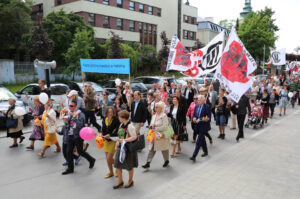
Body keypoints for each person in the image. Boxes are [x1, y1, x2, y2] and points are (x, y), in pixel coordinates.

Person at [62, 100, 96, 175]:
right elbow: (68, 125)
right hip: (70, 135)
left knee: (80, 151)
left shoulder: (80, 114)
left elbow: (80, 125)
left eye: (72, 106)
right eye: (69, 106)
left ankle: (91, 160)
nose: (70, 107)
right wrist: (66, 121)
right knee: (68, 152)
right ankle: (70, 168)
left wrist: (74, 118)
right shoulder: (69, 113)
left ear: (75, 107)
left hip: (78, 136)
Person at [113, 110, 138, 189]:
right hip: (121, 147)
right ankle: (120, 180)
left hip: (127, 148)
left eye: (119, 117)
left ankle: (130, 181)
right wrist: (117, 143)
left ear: (123, 118)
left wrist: (124, 140)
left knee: (129, 166)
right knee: (117, 164)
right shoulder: (121, 125)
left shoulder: (130, 126)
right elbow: (120, 136)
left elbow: (134, 137)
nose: (118, 118)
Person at [142, 102, 170, 170]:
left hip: (161, 135)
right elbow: (151, 123)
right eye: (155, 107)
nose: (155, 108)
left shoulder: (164, 116)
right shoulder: (154, 115)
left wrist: (156, 128)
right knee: (152, 149)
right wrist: (151, 126)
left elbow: (165, 127)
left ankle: (166, 160)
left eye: (157, 107)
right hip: (154, 135)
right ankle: (148, 163)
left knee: (164, 149)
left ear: (161, 108)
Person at [100, 107, 120, 178]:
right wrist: (102, 134)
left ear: (113, 112)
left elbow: (118, 130)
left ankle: (117, 169)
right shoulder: (104, 119)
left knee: (109, 158)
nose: (110, 113)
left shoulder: (116, 119)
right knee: (109, 159)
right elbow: (103, 129)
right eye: (109, 112)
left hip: (113, 140)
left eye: (111, 112)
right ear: (106, 113)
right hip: (106, 140)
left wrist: (110, 135)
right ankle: (112, 171)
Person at [190, 95, 211, 161]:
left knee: (198, 141)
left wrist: (201, 119)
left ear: (203, 100)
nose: (197, 101)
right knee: (202, 139)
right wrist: (194, 117)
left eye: (199, 100)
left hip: (204, 126)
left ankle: (194, 156)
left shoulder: (207, 107)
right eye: (197, 99)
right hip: (197, 126)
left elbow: (208, 117)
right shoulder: (196, 106)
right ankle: (206, 151)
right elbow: (195, 114)